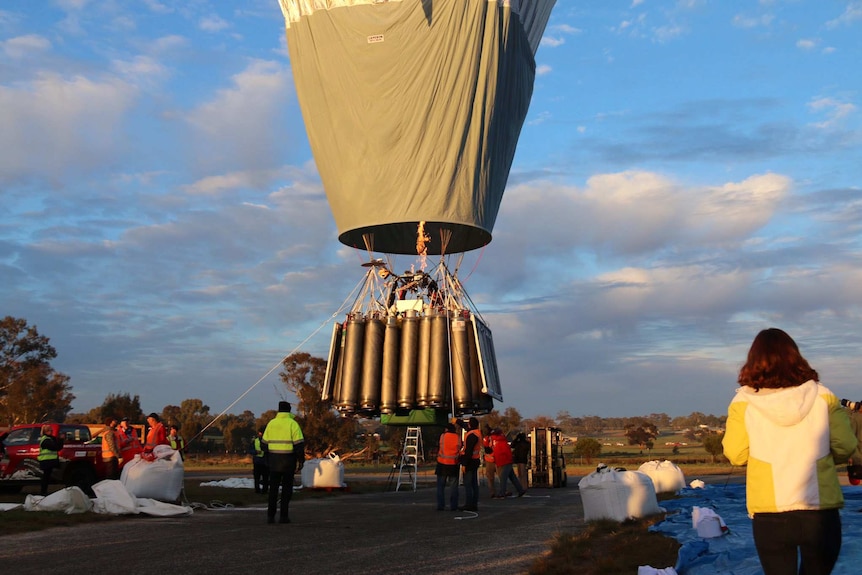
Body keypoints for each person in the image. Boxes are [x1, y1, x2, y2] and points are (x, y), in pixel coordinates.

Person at [722, 328, 856, 575]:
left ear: (753, 361)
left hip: (769, 512)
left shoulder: (742, 402)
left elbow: (737, 454)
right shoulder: (824, 396)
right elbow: (845, 445)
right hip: (820, 510)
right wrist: (820, 459)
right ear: (796, 357)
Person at [263, 401, 305, 524]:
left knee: (273, 490)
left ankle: (270, 516)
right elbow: (299, 445)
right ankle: (283, 516)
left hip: (274, 462)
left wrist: (267, 459)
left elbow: (264, 444)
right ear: (289, 410)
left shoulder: (271, 423)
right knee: (286, 490)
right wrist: (301, 461)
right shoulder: (293, 424)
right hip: (288, 461)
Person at [491, 428, 526, 498]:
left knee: (503, 478)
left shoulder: (496, 440)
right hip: (507, 461)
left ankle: (502, 492)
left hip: (503, 461)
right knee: (512, 477)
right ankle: (520, 490)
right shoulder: (502, 440)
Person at [435, 422, 461, 511]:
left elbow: (440, 446)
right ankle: (453, 506)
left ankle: (440, 505)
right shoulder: (457, 437)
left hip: (442, 464)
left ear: (446, 429)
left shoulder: (443, 436)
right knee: (454, 487)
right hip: (453, 464)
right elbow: (459, 448)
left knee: (440, 486)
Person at [458, 417, 481, 512]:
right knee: (474, 484)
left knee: (468, 484)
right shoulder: (475, 432)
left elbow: (468, 451)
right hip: (475, 461)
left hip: (470, 462)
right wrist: (458, 421)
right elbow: (465, 426)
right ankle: (473, 504)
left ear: (470, 425)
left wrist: (464, 464)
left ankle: (469, 504)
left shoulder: (472, 435)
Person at [37, 424, 63, 496]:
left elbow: (58, 446)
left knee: (47, 477)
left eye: (51, 430)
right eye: (50, 430)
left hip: (49, 461)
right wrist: (61, 440)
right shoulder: (45, 440)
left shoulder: (50, 438)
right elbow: (55, 447)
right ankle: (43, 492)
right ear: (46, 431)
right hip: (46, 461)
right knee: (46, 477)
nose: (51, 431)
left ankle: (44, 491)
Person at [250, 427, 269, 494]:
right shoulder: (255, 441)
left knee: (265, 478)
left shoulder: (268, 441)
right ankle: (257, 490)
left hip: (265, 462)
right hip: (257, 462)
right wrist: (255, 452)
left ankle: (265, 490)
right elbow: (250, 450)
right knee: (257, 478)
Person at [481, 424, 497, 498]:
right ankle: (503, 490)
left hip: (489, 459)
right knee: (502, 476)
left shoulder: (486, 438)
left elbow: (487, 449)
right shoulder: (496, 438)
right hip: (497, 458)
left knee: (490, 477)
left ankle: (492, 491)